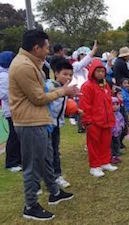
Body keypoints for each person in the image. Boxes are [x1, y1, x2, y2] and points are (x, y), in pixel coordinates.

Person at [9, 29, 76, 221]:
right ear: (36, 47)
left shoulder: (31, 63)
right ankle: (30, 206)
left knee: (47, 159)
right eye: (46, 47)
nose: (48, 50)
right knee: (33, 165)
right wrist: (63, 91)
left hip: (39, 121)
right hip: (30, 122)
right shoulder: (23, 66)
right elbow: (38, 98)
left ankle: (54, 193)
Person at [79, 59, 117, 177]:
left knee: (105, 142)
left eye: (102, 71)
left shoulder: (105, 85)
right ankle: (94, 166)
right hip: (94, 122)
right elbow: (85, 105)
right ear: (92, 72)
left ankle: (104, 162)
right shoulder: (87, 86)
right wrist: (88, 121)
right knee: (94, 144)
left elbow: (108, 101)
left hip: (106, 120)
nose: (101, 73)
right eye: (98, 71)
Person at [46, 59, 76, 188]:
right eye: (65, 74)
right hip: (47, 126)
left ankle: (56, 176)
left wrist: (77, 110)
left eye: (70, 75)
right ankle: (47, 179)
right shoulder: (50, 86)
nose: (68, 77)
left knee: (55, 151)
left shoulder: (64, 89)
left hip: (56, 125)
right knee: (46, 153)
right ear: (56, 73)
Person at [69, 41, 98, 133]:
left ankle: (86, 124)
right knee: (80, 109)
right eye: (82, 55)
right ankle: (81, 126)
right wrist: (92, 52)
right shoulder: (75, 65)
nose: (85, 57)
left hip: (87, 91)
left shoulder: (86, 68)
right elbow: (83, 63)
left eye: (86, 55)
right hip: (78, 92)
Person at [0, 51, 22, 172]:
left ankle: (17, 160)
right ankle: (11, 162)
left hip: (15, 108)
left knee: (18, 135)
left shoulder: (8, 73)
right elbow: (4, 94)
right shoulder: (3, 76)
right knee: (14, 136)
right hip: (11, 109)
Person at [111, 97, 125, 164]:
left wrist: (121, 127)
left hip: (117, 133)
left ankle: (116, 154)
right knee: (111, 145)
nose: (115, 106)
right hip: (111, 134)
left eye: (117, 104)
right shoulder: (109, 115)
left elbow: (122, 121)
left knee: (117, 143)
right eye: (113, 104)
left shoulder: (118, 114)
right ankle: (112, 156)